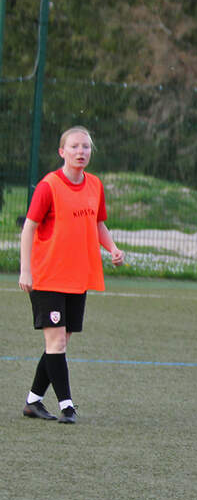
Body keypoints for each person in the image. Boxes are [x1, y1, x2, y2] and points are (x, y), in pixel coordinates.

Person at [18, 126, 124, 423]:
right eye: (75, 146)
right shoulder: (48, 186)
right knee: (57, 344)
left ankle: (33, 402)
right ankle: (67, 406)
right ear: (62, 152)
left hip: (77, 277)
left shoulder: (95, 186)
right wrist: (25, 270)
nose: (81, 152)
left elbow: (98, 223)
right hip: (47, 276)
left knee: (60, 341)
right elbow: (28, 228)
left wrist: (113, 248)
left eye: (86, 147)